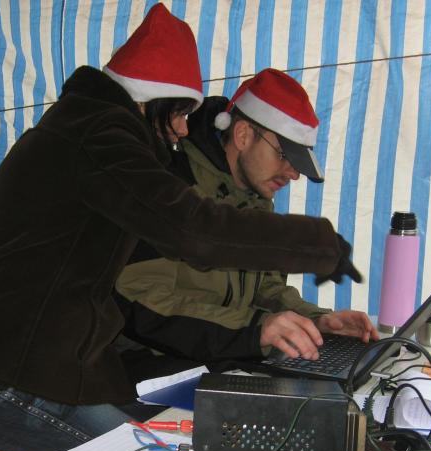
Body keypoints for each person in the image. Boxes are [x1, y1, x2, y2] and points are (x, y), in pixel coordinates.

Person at [0, 3, 361, 451]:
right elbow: (194, 232)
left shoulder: (83, 129)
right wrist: (321, 245)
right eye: (179, 112)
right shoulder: (100, 135)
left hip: (22, 372)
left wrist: (308, 317)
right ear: (150, 100)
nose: (183, 129)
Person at [114, 69, 378, 380]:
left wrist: (315, 321)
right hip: (150, 369)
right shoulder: (171, 191)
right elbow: (141, 302)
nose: (293, 173)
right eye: (284, 155)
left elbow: (266, 286)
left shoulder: (254, 198)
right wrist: (255, 330)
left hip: (222, 358)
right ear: (242, 136)